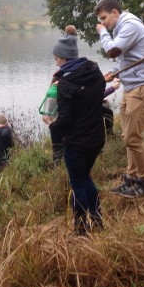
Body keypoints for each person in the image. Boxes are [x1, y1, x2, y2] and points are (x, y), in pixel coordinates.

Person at [95, 0, 144, 198]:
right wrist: (114, 72)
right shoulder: (121, 28)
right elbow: (125, 59)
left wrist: (102, 32)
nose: (103, 23)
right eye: (101, 21)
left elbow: (113, 50)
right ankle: (132, 178)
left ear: (115, 12)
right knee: (127, 137)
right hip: (131, 88)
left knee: (133, 137)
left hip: (143, 89)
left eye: (104, 18)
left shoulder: (129, 25)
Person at [44, 26, 106, 234]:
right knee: (86, 177)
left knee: (77, 182)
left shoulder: (66, 83)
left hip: (77, 143)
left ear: (64, 58)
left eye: (57, 59)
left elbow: (66, 119)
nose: (56, 62)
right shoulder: (95, 72)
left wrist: (51, 123)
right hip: (97, 138)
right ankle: (97, 220)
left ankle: (81, 227)